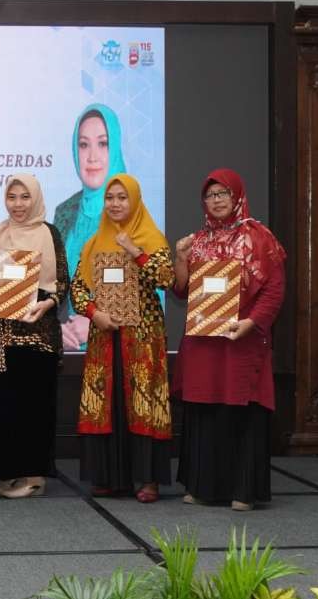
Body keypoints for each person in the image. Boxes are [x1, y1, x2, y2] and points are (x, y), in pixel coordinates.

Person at [172, 169, 285, 512]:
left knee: (241, 410)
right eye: (211, 195)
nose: (217, 200)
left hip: (241, 342)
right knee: (204, 410)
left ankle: (242, 490)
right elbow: (181, 290)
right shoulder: (198, 240)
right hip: (203, 344)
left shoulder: (259, 237)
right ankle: (203, 487)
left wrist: (251, 323)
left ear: (237, 196)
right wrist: (180, 257)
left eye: (223, 193)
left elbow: (274, 290)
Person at [70, 174, 172, 503]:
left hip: (142, 337)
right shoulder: (93, 242)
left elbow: (166, 278)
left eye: (122, 198)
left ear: (135, 200)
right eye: (110, 198)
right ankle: (111, 477)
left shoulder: (151, 237)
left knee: (141, 400)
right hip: (105, 336)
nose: (115, 204)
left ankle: (148, 480)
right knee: (109, 403)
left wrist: (136, 251)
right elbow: (77, 289)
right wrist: (93, 314)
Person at [0, 174, 69, 498]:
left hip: (37, 332)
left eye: (24, 197)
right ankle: (8, 474)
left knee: (34, 406)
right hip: (3, 336)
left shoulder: (49, 233)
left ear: (36, 199)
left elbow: (64, 282)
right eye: (12, 197)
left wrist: (48, 303)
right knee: (5, 405)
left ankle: (33, 476)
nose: (18, 204)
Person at [54, 104, 127, 350]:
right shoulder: (65, 212)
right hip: (70, 351)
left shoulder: (130, 209)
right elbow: (53, 283)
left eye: (103, 143)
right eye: (84, 144)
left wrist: (98, 323)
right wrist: (57, 328)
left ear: (115, 148)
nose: (92, 156)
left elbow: (152, 292)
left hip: (116, 348)